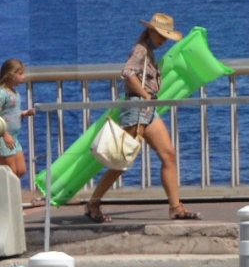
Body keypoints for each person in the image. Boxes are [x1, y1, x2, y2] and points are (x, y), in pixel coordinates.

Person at [84, 13, 198, 223]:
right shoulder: (141, 50)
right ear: (152, 31)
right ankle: (93, 204)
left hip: (146, 108)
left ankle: (176, 207)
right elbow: (127, 73)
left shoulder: (147, 51)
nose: (164, 41)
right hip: (138, 107)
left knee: (168, 155)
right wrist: (146, 97)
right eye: (162, 36)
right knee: (121, 161)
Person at [0, 59, 43, 210]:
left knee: (21, 170)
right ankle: (10, 206)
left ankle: (6, 199)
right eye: (20, 74)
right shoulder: (0, 94)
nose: (23, 77)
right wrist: (4, 134)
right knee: (11, 173)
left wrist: (25, 112)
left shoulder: (14, 93)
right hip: (2, 137)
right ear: (11, 75)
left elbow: (11, 112)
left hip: (14, 137)